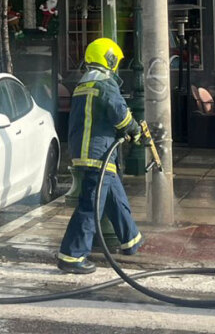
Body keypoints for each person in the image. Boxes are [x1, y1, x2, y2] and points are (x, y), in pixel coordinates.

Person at [57, 37, 144, 274]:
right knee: (91, 206)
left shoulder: (84, 83)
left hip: (90, 152)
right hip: (98, 154)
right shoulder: (104, 83)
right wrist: (135, 130)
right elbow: (120, 114)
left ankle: (131, 241)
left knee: (115, 197)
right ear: (110, 58)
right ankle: (72, 256)